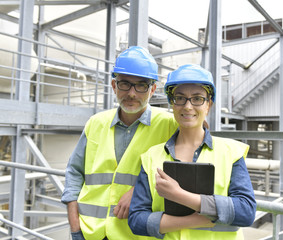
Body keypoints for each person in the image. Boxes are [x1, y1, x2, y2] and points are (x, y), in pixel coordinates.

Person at [61, 46, 178, 240]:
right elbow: (74, 173)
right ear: (114, 86)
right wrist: (75, 227)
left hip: (136, 234)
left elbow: (183, 172)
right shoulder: (95, 123)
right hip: (90, 232)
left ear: (152, 90)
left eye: (141, 85)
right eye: (125, 84)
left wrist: (140, 189)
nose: (132, 93)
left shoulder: (169, 125)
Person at [128, 64, 256, 240]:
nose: (187, 106)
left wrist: (179, 195)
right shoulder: (151, 156)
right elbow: (136, 221)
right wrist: (196, 219)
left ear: (208, 105)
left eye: (197, 99)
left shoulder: (231, 152)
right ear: (172, 103)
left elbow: (246, 211)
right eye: (180, 98)